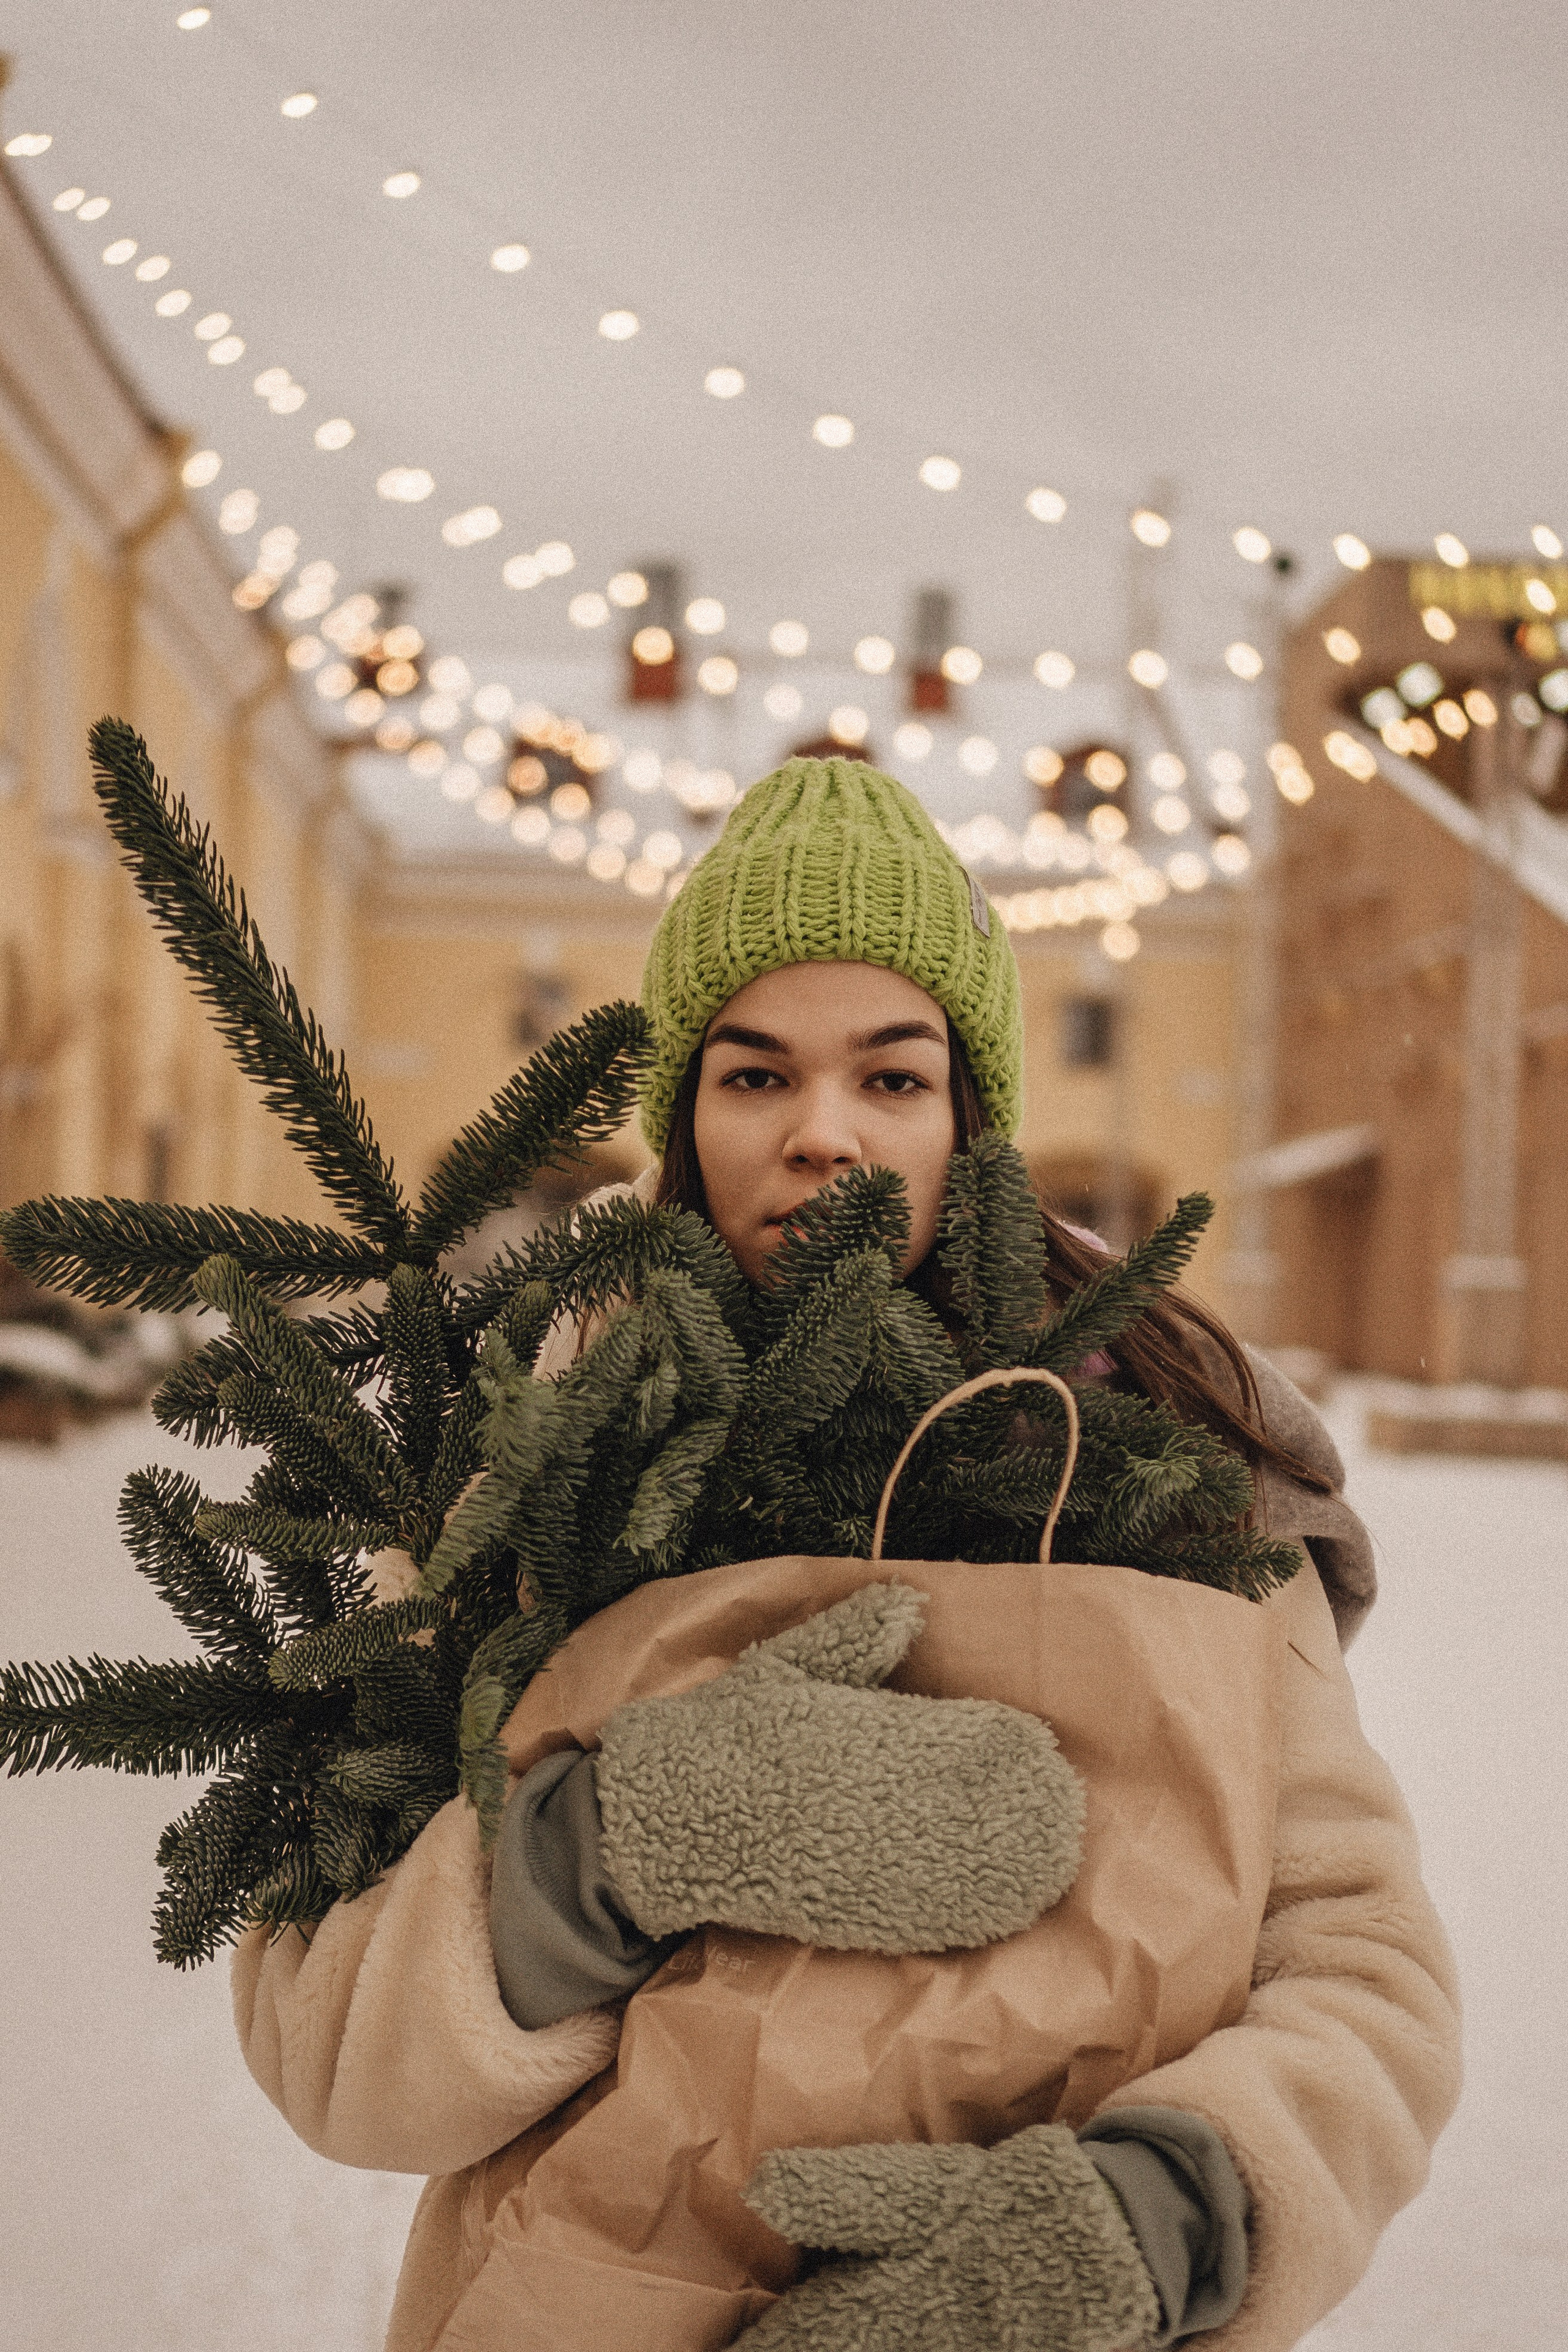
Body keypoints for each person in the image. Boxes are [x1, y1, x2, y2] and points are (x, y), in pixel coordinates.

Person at [235, 757, 1460, 2352]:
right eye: (755, 1078)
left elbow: (1363, 1972)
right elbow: (322, 2037)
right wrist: (605, 1848)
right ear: (684, 1115)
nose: (826, 1136)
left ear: (973, 1117)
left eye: (893, 1079)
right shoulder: (520, 1466)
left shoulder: (1164, 1472)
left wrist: (1137, 2231)